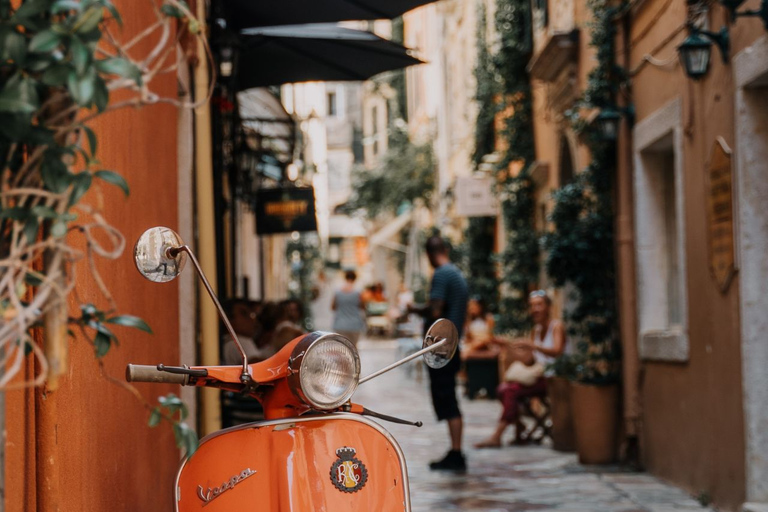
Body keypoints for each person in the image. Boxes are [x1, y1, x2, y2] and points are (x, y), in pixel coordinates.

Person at [474, 290, 566, 448]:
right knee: (503, 389)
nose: (535, 309)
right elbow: (529, 359)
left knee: (511, 390)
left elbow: (557, 351)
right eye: (532, 306)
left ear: (548, 307)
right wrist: (508, 346)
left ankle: (498, 436)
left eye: (539, 305)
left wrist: (533, 346)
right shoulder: (536, 330)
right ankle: (518, 426)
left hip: (554, 379)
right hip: (539, 376)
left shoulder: (556, 327)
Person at [409, 236, 469, 471]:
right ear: (445, 249)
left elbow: (435, 308)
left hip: (443, 348)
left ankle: (456, 453)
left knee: (447, 400)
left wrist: (413, 308)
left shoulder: (442, 274)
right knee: (449, 398)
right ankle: (456, 452)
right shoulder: (456, 273)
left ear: (430, 254)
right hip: (451, 346)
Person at [221, 299, 273, 365]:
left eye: (252, 314)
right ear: (228, 320)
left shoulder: (229, 342)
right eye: (244, 314)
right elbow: (260, 365)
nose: (252, 319)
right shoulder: (241, 342)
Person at [332, 270, 366, 345]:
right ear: (355, 279)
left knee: (342, 348)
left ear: (345, 278)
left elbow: (333, 307)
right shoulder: (358, 292)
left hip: (340, 324)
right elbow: (363, 307)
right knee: (353, 349)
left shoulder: (338, 292)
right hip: (355, 324)